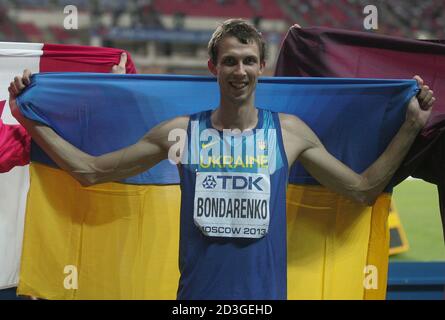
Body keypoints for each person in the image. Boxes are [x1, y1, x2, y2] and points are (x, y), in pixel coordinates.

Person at [8, 19, 435, 300]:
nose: (240, 71)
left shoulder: (289, 133)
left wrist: (411, 125)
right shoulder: (181, 133)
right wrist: (29, 118)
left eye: (249, 61)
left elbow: (361, 190)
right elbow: (89, 171)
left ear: (263, 67)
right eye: (230, 61)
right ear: (213, 67)